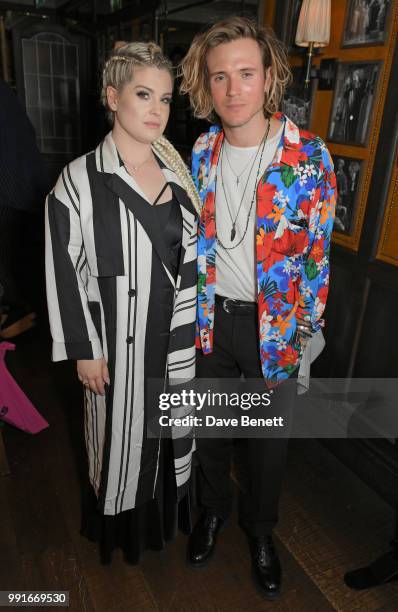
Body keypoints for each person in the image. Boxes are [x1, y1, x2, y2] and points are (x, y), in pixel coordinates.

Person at [180, 17, 336, 599]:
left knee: (267, 446)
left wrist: (308, 335)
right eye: (220, 77)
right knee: (213, 433)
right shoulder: (199, 151)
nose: (233, 89)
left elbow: (318, 255)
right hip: (211, 323)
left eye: (246, 73)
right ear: (206, 84)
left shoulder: (309, 157)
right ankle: (212, 513)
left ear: (269, 77)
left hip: (275, 330)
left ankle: (261, 533)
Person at [45, 42, 201, 564]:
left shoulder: (177, 174)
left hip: (172, 337)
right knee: (118, 442)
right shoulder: (78, 179)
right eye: (142, 94)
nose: (156, 109)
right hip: (115, 342)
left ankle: (161, 524)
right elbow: (63, 268)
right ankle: (121, 533)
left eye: (165, 98)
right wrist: (83, 348)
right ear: (112, 97)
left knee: (167, 434)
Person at [0, 79, 49, 338]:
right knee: (26, 264)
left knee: (12, 269)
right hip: (28, 185)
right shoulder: (6, 91)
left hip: (9, 191)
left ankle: (19, 322)